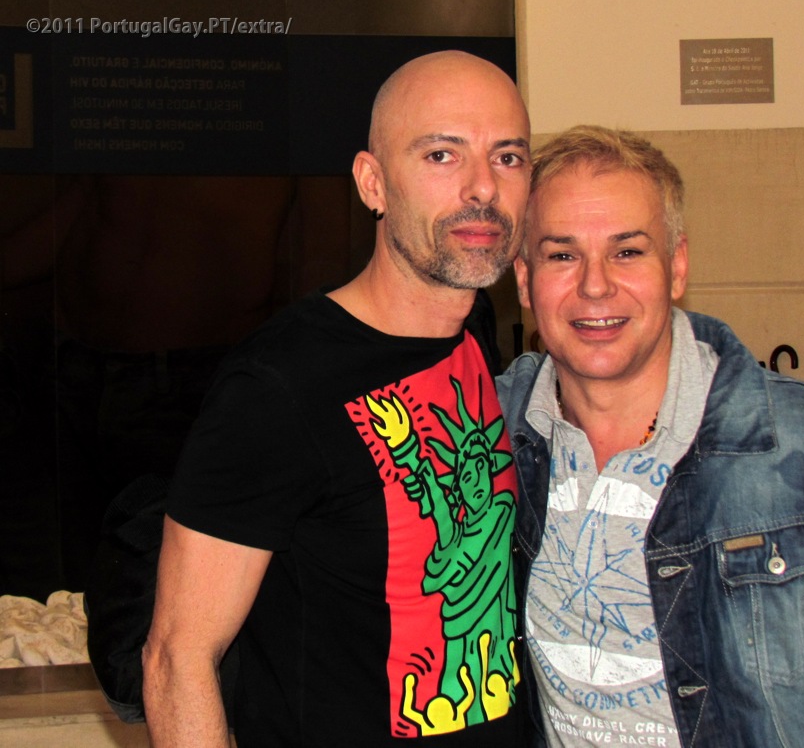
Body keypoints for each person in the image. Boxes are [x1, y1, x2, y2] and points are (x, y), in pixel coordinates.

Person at [497, 125, 804, 747]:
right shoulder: (490, 436)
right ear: (524, 279)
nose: (596, 285)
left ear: (677, 266)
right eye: (562, 255)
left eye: (628, 251)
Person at [142, 50, 531, 747]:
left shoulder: (471, 331)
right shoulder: (278, 385)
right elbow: (177, 658)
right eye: (441, 155)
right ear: (372, 183)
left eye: (507, 157)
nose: (482, 187)